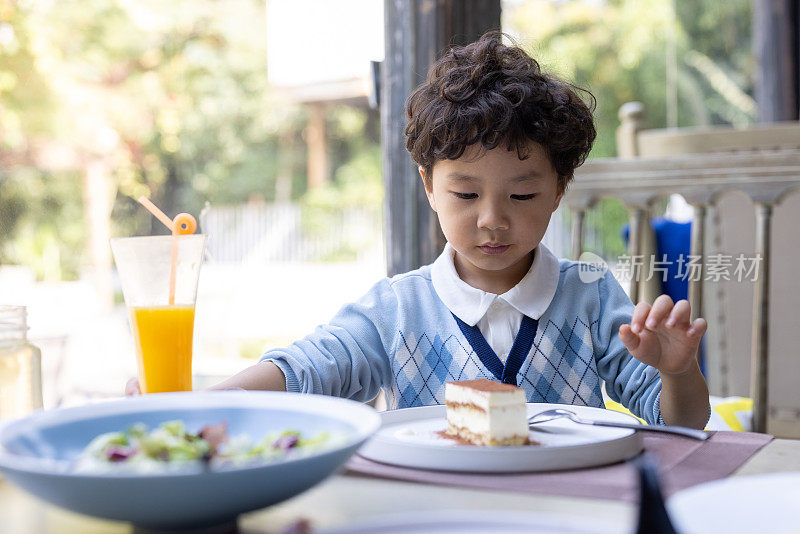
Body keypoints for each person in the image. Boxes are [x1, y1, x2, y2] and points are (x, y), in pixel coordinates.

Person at [127, 33, 710, 430]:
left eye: (523, 194)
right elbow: (305, 370)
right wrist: (198, 405)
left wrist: (677, 371)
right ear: (429, 187)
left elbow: (680, 422)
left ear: (559, 190)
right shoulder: (396, 310)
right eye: (464, 193)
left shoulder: (590, 294)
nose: (492, 218)